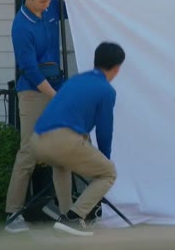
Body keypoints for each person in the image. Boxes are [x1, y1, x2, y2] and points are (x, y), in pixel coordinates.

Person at [30, 42, 125, 237]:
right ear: (117, 68)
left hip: (37, 140)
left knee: (62, 165)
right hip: (63, 140)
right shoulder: (106, 90)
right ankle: (74, 217)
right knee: (108, 173)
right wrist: (104, 159)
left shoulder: (75, 80)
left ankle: (65, 218)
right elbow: (104, 131)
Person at [5, 0, 65, 233]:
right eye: (42, 1)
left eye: (49, 0)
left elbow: (78, 8)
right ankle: (13, 214)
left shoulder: (51, 8)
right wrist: (57, 97)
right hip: (33, 92)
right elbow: (30, 69)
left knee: (63, 149)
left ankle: (65, 209)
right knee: (29, 152)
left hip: (57, 87)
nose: (47, 5)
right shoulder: (21, 26)